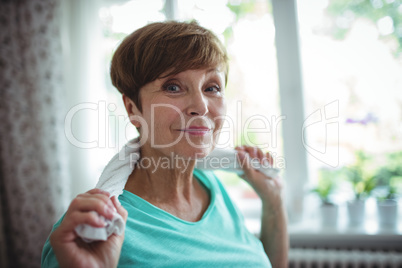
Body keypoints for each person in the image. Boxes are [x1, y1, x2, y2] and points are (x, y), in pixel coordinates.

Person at [42, 21, 288, 267]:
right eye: (173, 87)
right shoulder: (90, 233)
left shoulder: (214, 188)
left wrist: (273, 200)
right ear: (132, 108)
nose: (201, 106)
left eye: (211, 87)